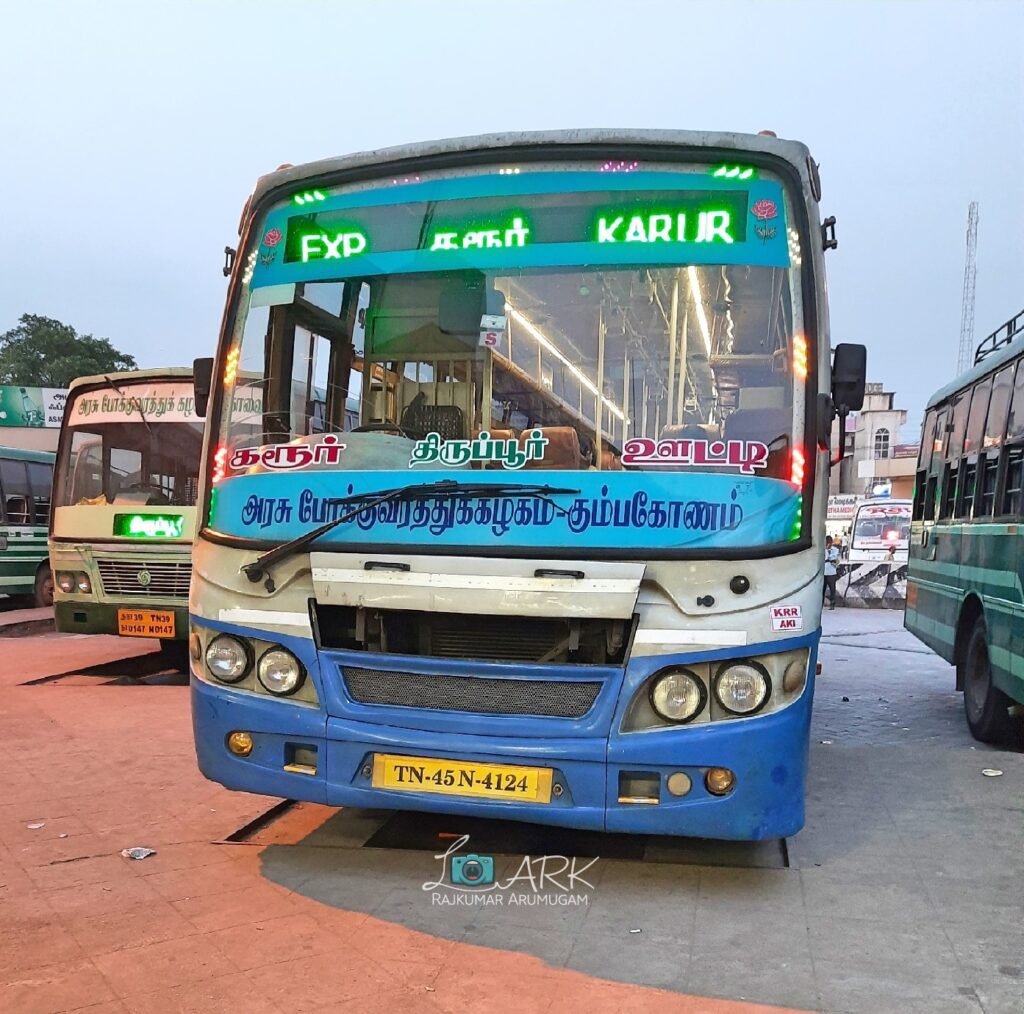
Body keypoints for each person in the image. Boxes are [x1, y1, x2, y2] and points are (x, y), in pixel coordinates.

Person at [823, 535, 840, 609]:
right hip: (823, 572)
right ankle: (821, 604)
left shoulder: (835, 549)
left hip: (832, 572)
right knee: (822, 589)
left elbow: (833, 557)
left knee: (832, 589)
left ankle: (832, 604)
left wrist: (829, 553)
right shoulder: (822, 549)